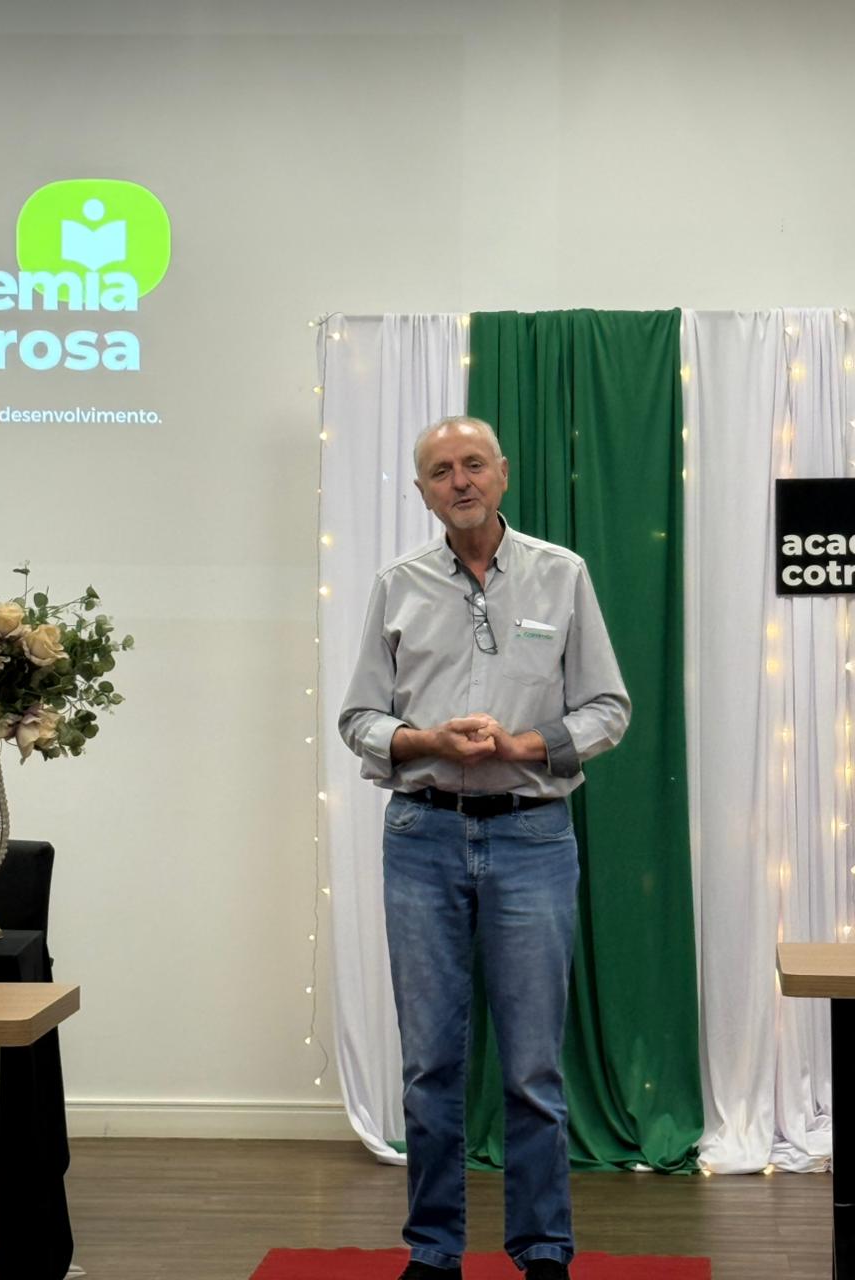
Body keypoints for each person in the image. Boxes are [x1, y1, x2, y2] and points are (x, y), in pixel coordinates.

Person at [339, 416, 630, 1280]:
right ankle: (434, 1253)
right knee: (430, 1065)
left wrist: (523, 746)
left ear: (502, 474)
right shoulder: (396, 586)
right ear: (422, 491)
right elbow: (358, 718)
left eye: (473, 465)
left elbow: (607, 708)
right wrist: (426, 741)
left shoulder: (562, 574)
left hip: (533, 835)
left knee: (534, 1068)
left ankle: (543, 1251)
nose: (459, 481)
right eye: (440, 471)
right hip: (420, 836)